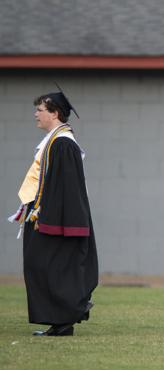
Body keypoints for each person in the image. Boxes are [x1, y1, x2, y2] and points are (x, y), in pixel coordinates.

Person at [8, 88, 98, 336]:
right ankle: (60, 321)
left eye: (40, 110)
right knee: (43, 266)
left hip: (57, 220)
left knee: (53, 267)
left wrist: (49, 219)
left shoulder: (62, 144)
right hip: (48, 216)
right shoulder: (53, 143)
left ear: (55, 113)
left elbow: (66, 188)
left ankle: (66, 317)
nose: (36, 114)